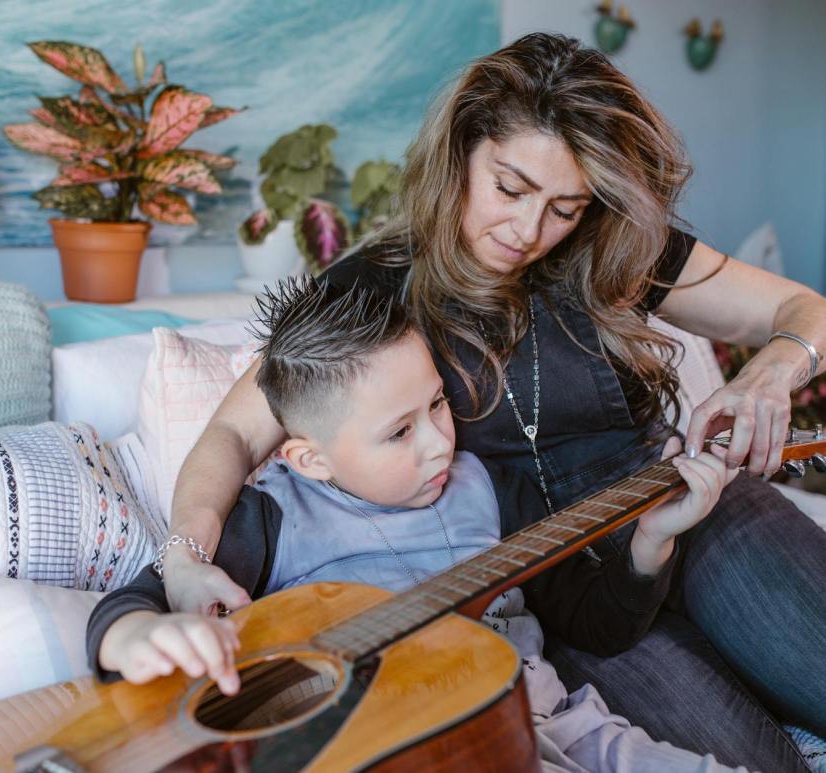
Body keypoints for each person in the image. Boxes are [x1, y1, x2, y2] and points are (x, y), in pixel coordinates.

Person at [161, 33, 826, 771]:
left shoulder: (615, 246)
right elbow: (233, 433)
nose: (529, 232)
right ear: (461, 151)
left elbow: (803, 310)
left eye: (565, 207)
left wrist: (773, 369)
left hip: (694, 508)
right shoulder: (372, 288)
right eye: (510, 189)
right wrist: (184, 558)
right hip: (574, 599)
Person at [88, 279, 742, 772]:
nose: (437, 443)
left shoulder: (488, 487)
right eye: (399, 431)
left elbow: (593, 623)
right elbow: (135, 603)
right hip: (406, 746)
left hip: (559, 724)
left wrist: (652, 540)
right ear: (311, 459)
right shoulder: (273, 519)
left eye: (436, 404)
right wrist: (138, 633)